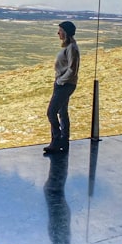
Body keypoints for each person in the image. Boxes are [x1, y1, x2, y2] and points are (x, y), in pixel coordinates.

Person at [45, 20, 79, 154]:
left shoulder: (72, 48)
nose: (58, 33)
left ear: (65, 32)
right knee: (62, 112)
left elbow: (72, 69)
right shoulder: (69, 47)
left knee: (51, 112)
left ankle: (56, 140)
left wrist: (61, 81)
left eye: (60, 30)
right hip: (63, 83)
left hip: (65, 85)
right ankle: (63, 141)